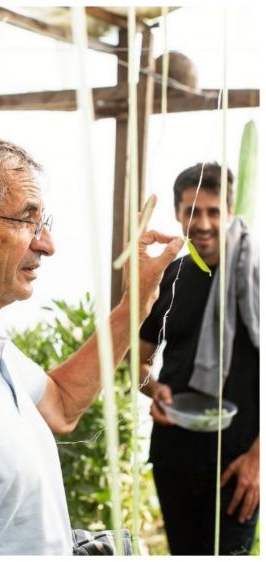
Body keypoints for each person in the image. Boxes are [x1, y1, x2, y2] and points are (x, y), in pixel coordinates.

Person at [0, 133, 183, 555]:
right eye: (26, 221)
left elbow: (61, 403)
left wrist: (135, 305)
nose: (46, 244)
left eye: (43, 223)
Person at [139, 163, 259, 555]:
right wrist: (154, 390)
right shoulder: (171, 278)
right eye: (193, 212)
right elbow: (136, 365)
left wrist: (258, 459)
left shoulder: (256, 277)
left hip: (236, 463)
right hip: (174, 455)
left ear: (230, 210)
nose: (203, 223)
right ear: (178, 213)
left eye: (213, 211)